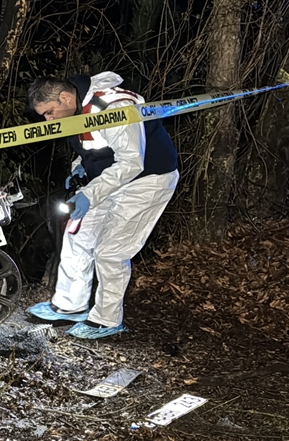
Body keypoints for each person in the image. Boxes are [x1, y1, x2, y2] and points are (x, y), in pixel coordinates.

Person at [25, 73, 179, 338]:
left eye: (49, 112)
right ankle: (69, 306)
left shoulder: (113, 108)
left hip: (147, 179)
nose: (48, 120)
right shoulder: (76, 110)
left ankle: (107, 321)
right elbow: (91, 149)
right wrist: (79, 169)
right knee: (77, 236)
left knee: (111, 251)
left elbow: (131, 162)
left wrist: (90, 194)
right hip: (108, 178)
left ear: (66, 97)